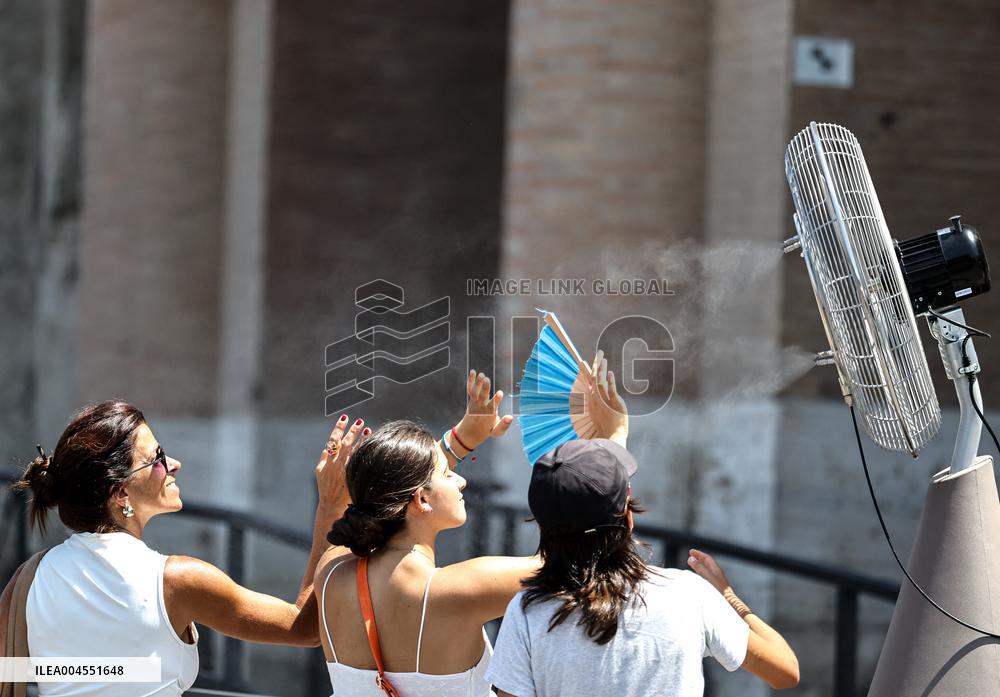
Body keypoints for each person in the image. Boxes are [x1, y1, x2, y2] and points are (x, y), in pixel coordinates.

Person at [0, 400, 367, 695]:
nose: (173, 464)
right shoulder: (176, 580)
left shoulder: (27, 579)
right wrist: (332, 507)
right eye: (157, 458)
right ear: (121, 493)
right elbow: (304, 628)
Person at [484, 356, 800, 696]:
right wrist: (731, 599)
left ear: (543, 526)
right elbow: (786, 671)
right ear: (628, 517)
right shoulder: (689, 595)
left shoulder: (529, 610)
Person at [313, 363, 626, 697]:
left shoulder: (330, 574)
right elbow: (585, 549)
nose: (460, 479)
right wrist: (614, 440)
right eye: (448, 474)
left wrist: (460, 440)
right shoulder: (463, 588)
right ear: (421, 499)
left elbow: (393, 482)